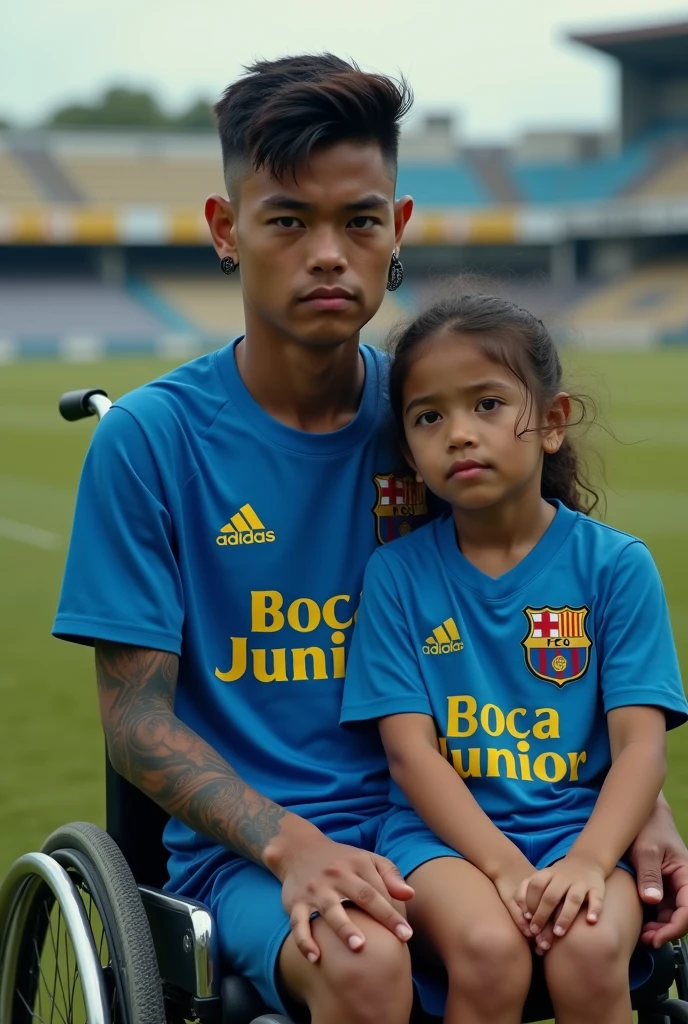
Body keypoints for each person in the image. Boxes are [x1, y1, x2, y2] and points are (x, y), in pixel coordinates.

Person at [52, 56, 688, 1024]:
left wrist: (643, 807)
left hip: (468, 820)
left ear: (398, 229)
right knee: (362, 963)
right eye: (287, 220)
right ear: (228, 232)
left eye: (358, 220)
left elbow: (559, 600)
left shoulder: (438, 415)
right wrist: (288, 845)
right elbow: (137, 722)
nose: (327, 253)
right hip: (265, 850)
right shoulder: (154, 437)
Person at [340, 291, 688, 1024]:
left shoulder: (616, 568)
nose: (459, 434)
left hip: (580, 830)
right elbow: (411, 758)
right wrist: (502, 868)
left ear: (552, 423)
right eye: (429, 416)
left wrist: (592, 862)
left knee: (591, 949)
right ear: (409, 450)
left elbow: (639, 749)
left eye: (488, 404)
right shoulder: (397, 576)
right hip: (443, 845)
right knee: (490, 947)